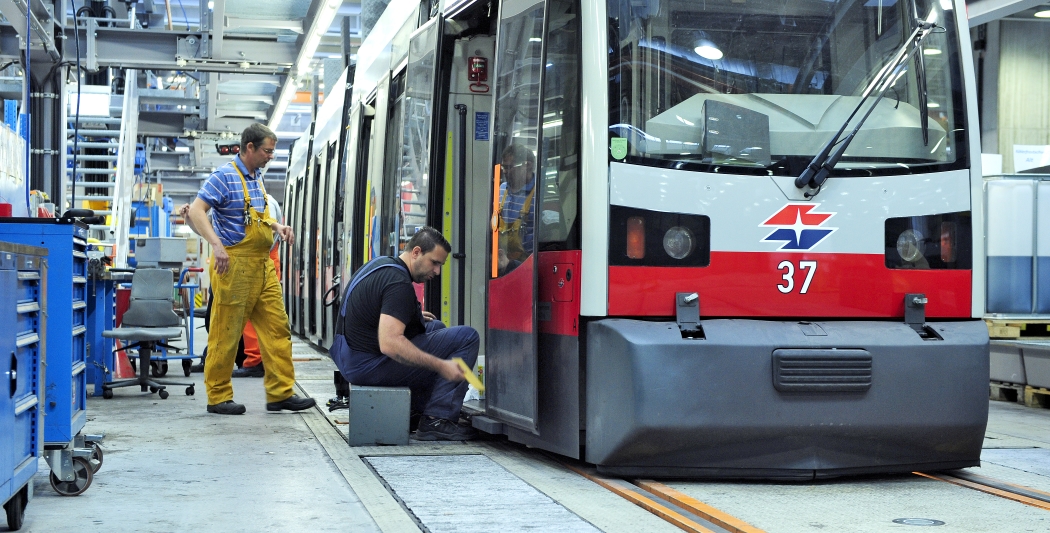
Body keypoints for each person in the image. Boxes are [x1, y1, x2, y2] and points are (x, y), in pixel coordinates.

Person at [186, 123, 315, 415]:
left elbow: (257, 217)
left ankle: (281, 393)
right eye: (267, 151)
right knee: (226, 333)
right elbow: (196, 210)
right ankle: (218, 396)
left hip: (262, 265)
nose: (271, 156)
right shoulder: (223, 177)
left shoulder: (256, 178)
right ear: (249, 148)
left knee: (277, 328)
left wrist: (277, 226)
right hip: (234, 267)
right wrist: (217, 245)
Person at [332, 226, 479, 440]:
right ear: (417, 252)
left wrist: (413, 315)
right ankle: (437, 420)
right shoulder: (399, 283)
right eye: (435, 263)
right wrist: (441, 365)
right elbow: (390, 343)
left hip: (350, 356)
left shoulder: (382, 264)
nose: (437, 272)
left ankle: (416, 413)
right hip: (364, 365)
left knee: (435, 327)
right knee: (466, 337)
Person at [495, 143, 536, 274]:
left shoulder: (540, 195)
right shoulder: (501, 190)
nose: (505, 171)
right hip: (503, 267)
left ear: (528, 165)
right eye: (503, 167)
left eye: (509, 167)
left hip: (528, 269)